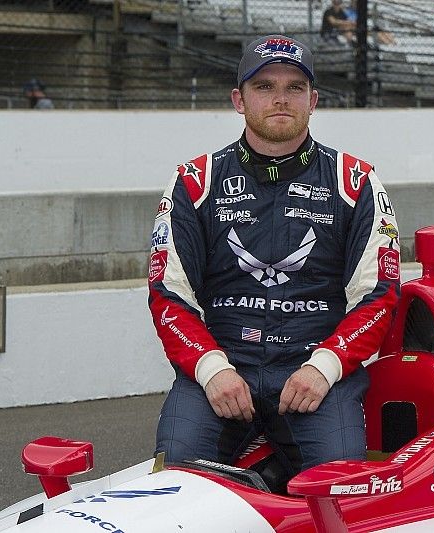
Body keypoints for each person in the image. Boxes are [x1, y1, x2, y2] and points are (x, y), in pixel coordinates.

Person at [149, 34, 401, 491]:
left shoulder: (357, 181)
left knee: (344, 495)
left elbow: (378, 296)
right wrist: (213, 369)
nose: (280, 99)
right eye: (264, 86)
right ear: (238, 100)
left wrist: (323, 368)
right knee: (174, 485)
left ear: (314, 100)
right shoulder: (193, 181)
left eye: (294, 87)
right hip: (223, 364)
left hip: (316, 368)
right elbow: (168, 295)